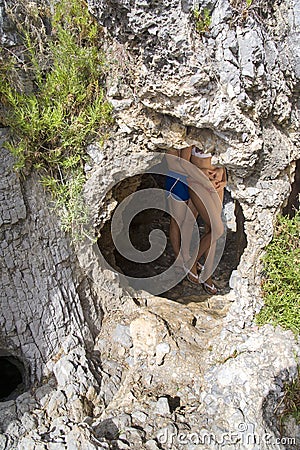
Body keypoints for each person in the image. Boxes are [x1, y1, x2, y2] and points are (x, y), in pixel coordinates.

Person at [165, 145, 226, 295]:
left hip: (215, 182)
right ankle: (188, 260)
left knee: (211, 229)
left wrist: (222, 177)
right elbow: (183, 165)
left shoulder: (215, 133)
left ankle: (208, 275)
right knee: (216, 229)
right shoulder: (191, 140)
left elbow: (224, 160)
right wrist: (204, 176)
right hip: (197, 182)